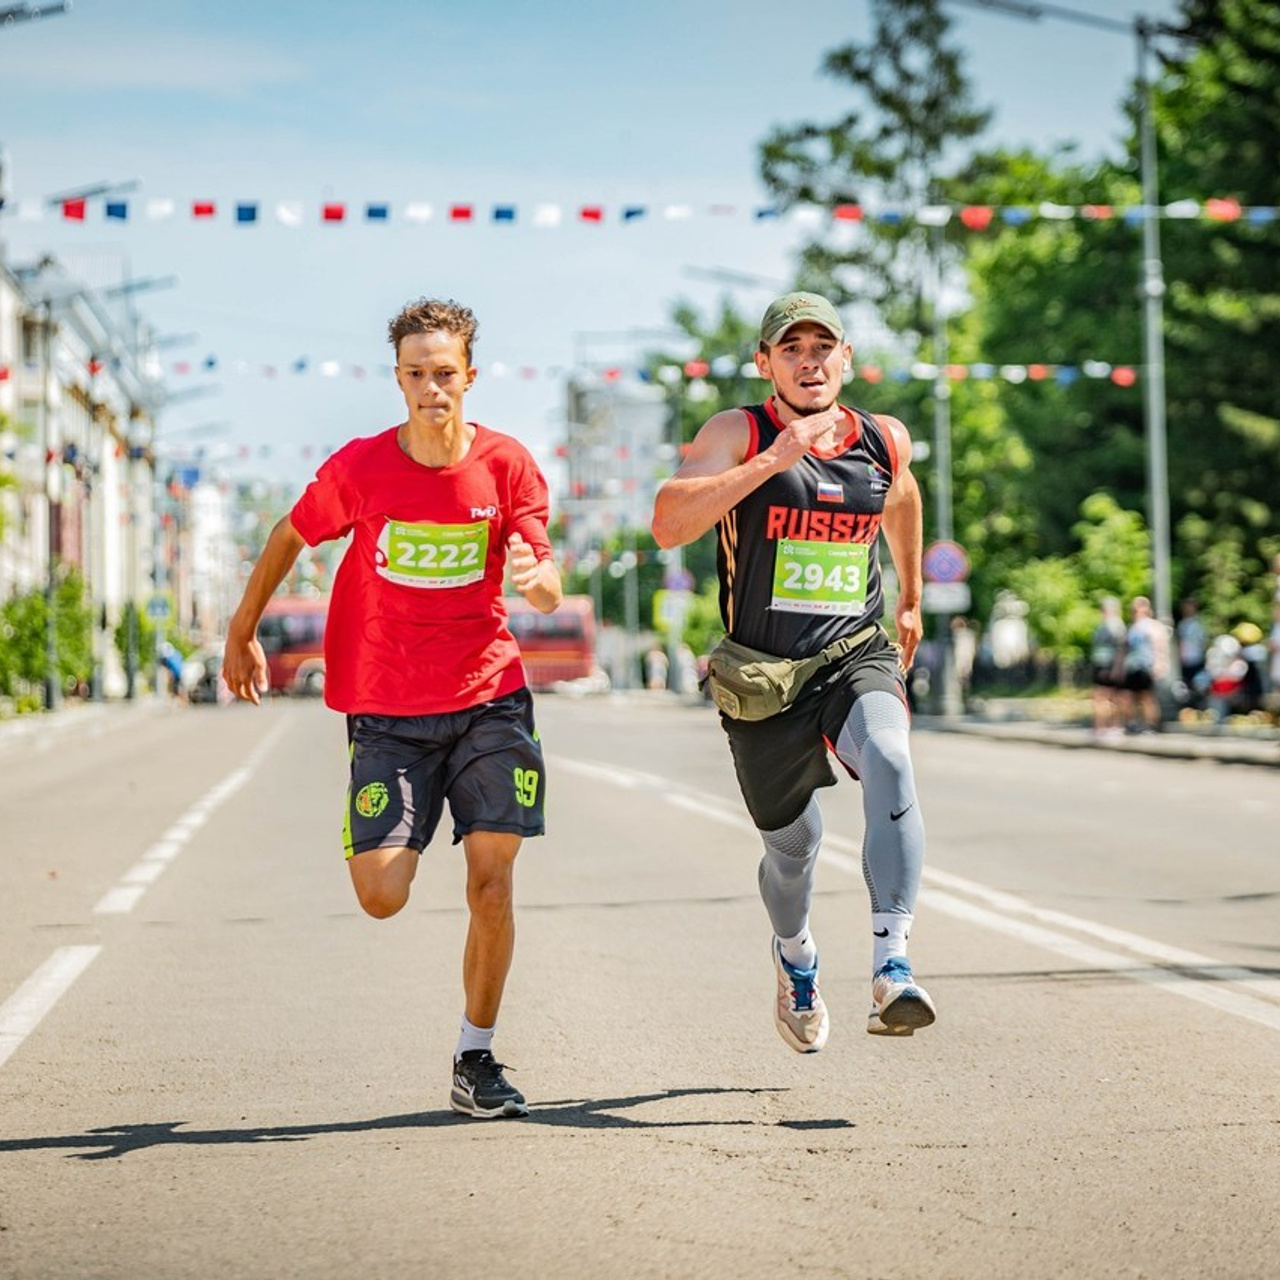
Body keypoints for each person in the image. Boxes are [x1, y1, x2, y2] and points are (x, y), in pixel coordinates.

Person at [222, 298, 562, 1119]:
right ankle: (383, 825)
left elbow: (546, 577)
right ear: (399, 379)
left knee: (492, 882)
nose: (432, 387)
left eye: (445, 373)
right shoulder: (364, 468)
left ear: (469, 376)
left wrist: (538, 583)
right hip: (387, 706)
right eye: (417, 373)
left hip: (489, 696)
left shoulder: (507, 465)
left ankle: (475, 1056)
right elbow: (289, 535)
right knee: (382, 893)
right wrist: (242, 630)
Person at [651, 290, 934, 1053]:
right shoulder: (738, 431)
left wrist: (910, 597)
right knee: (793, 847)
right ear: (765, 363)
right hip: (764, 676)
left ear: (845, 358)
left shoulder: (882, 439)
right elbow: (669, 522)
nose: (809, 362)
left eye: (823, 348)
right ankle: (797, 956)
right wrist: (776, 459)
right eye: (791, 349)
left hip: (854, 653)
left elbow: (902, 499)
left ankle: (892, 966)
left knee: (893, 760)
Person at [1120, 595, 1169, 733]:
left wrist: (1160, 663)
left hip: (1146, 665)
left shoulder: (1153, 626)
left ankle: (1151, 725)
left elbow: (1160, 645)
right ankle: (1132, 723)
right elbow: (1124, 649)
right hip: (1132, 666)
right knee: (1128, 697)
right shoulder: (1132, 627)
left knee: (1147, 697)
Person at [1089, 597, 1127, 739]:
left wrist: (1117, 668)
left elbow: (1121, 648)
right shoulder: (1102, 625)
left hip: (1110, 665)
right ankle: (1100, 727)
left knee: (1112, 697)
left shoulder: (1116, 625)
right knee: (1099, 697)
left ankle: (1115, 726)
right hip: (1100, 663)